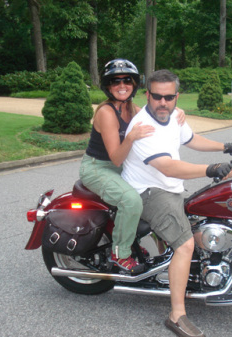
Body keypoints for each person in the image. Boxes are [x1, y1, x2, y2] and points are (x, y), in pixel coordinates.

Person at [121, 69, 232, 337]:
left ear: (176, 96)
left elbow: (191, 139)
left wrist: (227, 146)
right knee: (185, 245)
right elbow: (168, 168)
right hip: (148, 190)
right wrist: (212, 169)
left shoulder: (173, 115)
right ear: (148, 95)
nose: (163, 102)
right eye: (157, 96)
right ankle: (176, 315)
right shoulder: (142, 128)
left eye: (169, 97)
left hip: (170, 187)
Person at [79, 59, 185, 274]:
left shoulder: (132, 108)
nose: (122, 85)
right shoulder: (107, 113)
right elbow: (116, 158)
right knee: (131, 200)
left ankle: (165, 246)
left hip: (119, 167)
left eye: (127, 80)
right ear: (108, 86)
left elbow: (158, 111)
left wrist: (177, 111)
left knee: (156, 190)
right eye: (115, 81)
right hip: (99, 168)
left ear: (134, 84)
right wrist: (131, 138)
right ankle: (120, 253)